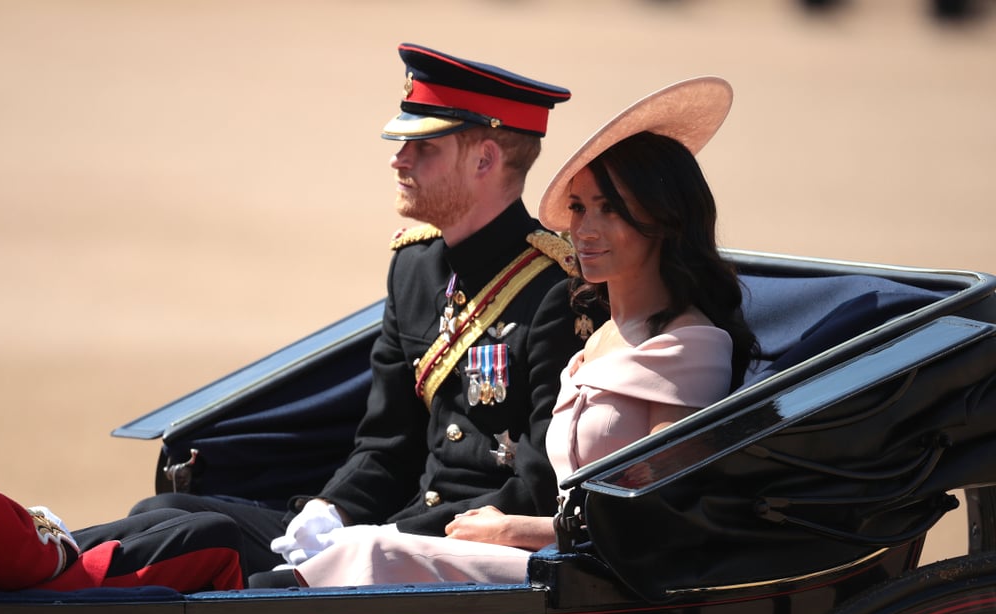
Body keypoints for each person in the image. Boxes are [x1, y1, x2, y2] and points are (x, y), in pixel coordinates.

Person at [128, 43, 594, 578]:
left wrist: (389, 535)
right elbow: (386, 444)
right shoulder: (414, 267)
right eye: (402, 144)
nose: (399, 159)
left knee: (244, 577)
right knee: (164, 517)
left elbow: (537, 484)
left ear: (485, 159)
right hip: (398, 527)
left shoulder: (559, 289)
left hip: (464, 550)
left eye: (424, 149)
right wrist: (333, 508)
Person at [285, 76, 760, 588]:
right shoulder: (600, 341)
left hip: (592, 577)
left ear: (665, 220)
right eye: (579, 208)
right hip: (546, 556)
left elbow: (657, 513)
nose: (585, 230)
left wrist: (520, 529)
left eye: (611, 209)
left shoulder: (689, 346)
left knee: (367, 553)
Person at [0, 434, 244, 592]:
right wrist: (50, 541)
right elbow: (17, 561)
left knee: (165, 515)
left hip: (7, 558)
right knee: (220, 539)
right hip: (26, 587)